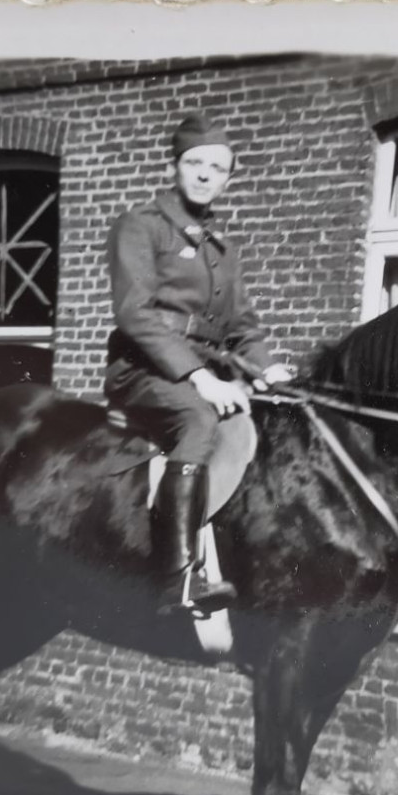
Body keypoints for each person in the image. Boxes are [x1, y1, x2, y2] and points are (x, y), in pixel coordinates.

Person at [105, 114, 293, 619]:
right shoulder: (142, 226)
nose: (206, 175)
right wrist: (198, 378)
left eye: (218, 168)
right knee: (199, 419)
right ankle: (176, 580)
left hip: (206, 371)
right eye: (195, 163)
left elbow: (242, 328)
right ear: (175, 166)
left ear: (228, 179)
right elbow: (134, 313)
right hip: (142, 370)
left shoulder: (222, 251)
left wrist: (268, 369)